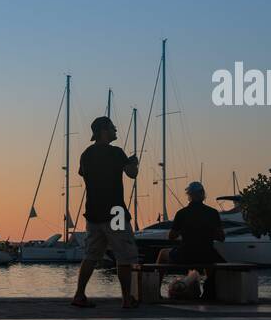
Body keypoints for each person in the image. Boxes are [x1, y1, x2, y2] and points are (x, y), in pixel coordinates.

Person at [71, 116, 142, 308]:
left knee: (91, 255)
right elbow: (132, 174)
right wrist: (133, 162)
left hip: (93, 212)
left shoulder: (86, 154)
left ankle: (79, 295)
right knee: (124, 256)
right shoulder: (117, 153)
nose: (116, 130)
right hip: (116, 213)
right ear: (104, 130)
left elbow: (82, 173)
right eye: (113, 127)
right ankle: (127, 299)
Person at [158, 181, 225, 299]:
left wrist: (183, 231)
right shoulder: (213, 213)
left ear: (189, 195)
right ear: (203, 194)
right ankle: (210, 293)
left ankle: (156, 290)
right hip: (206, 254)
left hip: (186, 254)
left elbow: (171, 236)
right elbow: (221, 237)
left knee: (163, 253)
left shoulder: (182, 213)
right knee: (211, 258)